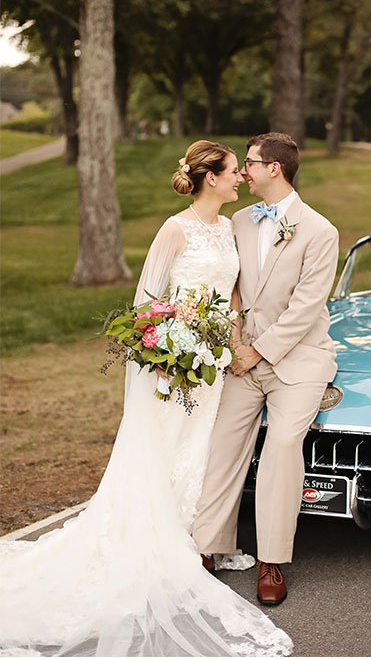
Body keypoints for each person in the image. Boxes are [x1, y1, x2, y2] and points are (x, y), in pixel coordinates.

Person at [0, 140, 292, 657]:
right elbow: (147, 303)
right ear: (209, 179)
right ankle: (162, 544)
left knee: (203, 451)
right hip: (174, 367)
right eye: (231, 173)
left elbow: (232, 298)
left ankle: (200, 541)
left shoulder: (229, 228)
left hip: (213, 364)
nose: (239, 180)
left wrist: (227, 341)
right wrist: (170, 348)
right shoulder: (174, 229)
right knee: (166, 448)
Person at [194, 132, 339, 606]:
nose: (243, 172)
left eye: (250, 163)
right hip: (243, 356)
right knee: (221, 442)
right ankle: (207, 548)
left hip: (300, 360)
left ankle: (271, 560)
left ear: (273, 167)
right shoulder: (239, 220)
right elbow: (233, 286)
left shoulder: (320, 231)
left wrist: (259, 351)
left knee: (280, 444)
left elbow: (305, 307)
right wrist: (236, 341)